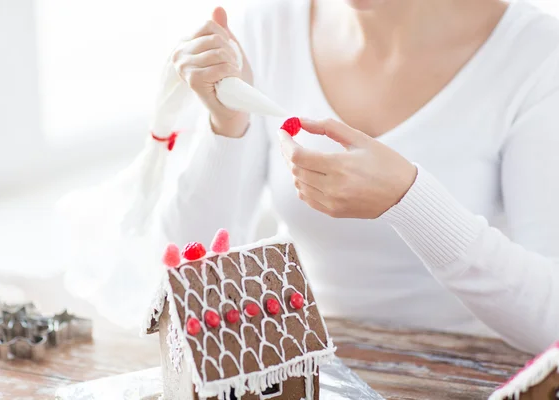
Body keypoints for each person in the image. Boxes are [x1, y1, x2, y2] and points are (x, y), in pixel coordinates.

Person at [161, 0, 559, 354]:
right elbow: (187, 274)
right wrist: (226, 124)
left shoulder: (535, 53)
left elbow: (551, 322)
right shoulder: (266, 29)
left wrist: (409, 201)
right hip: (311, 366)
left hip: (477, 370)